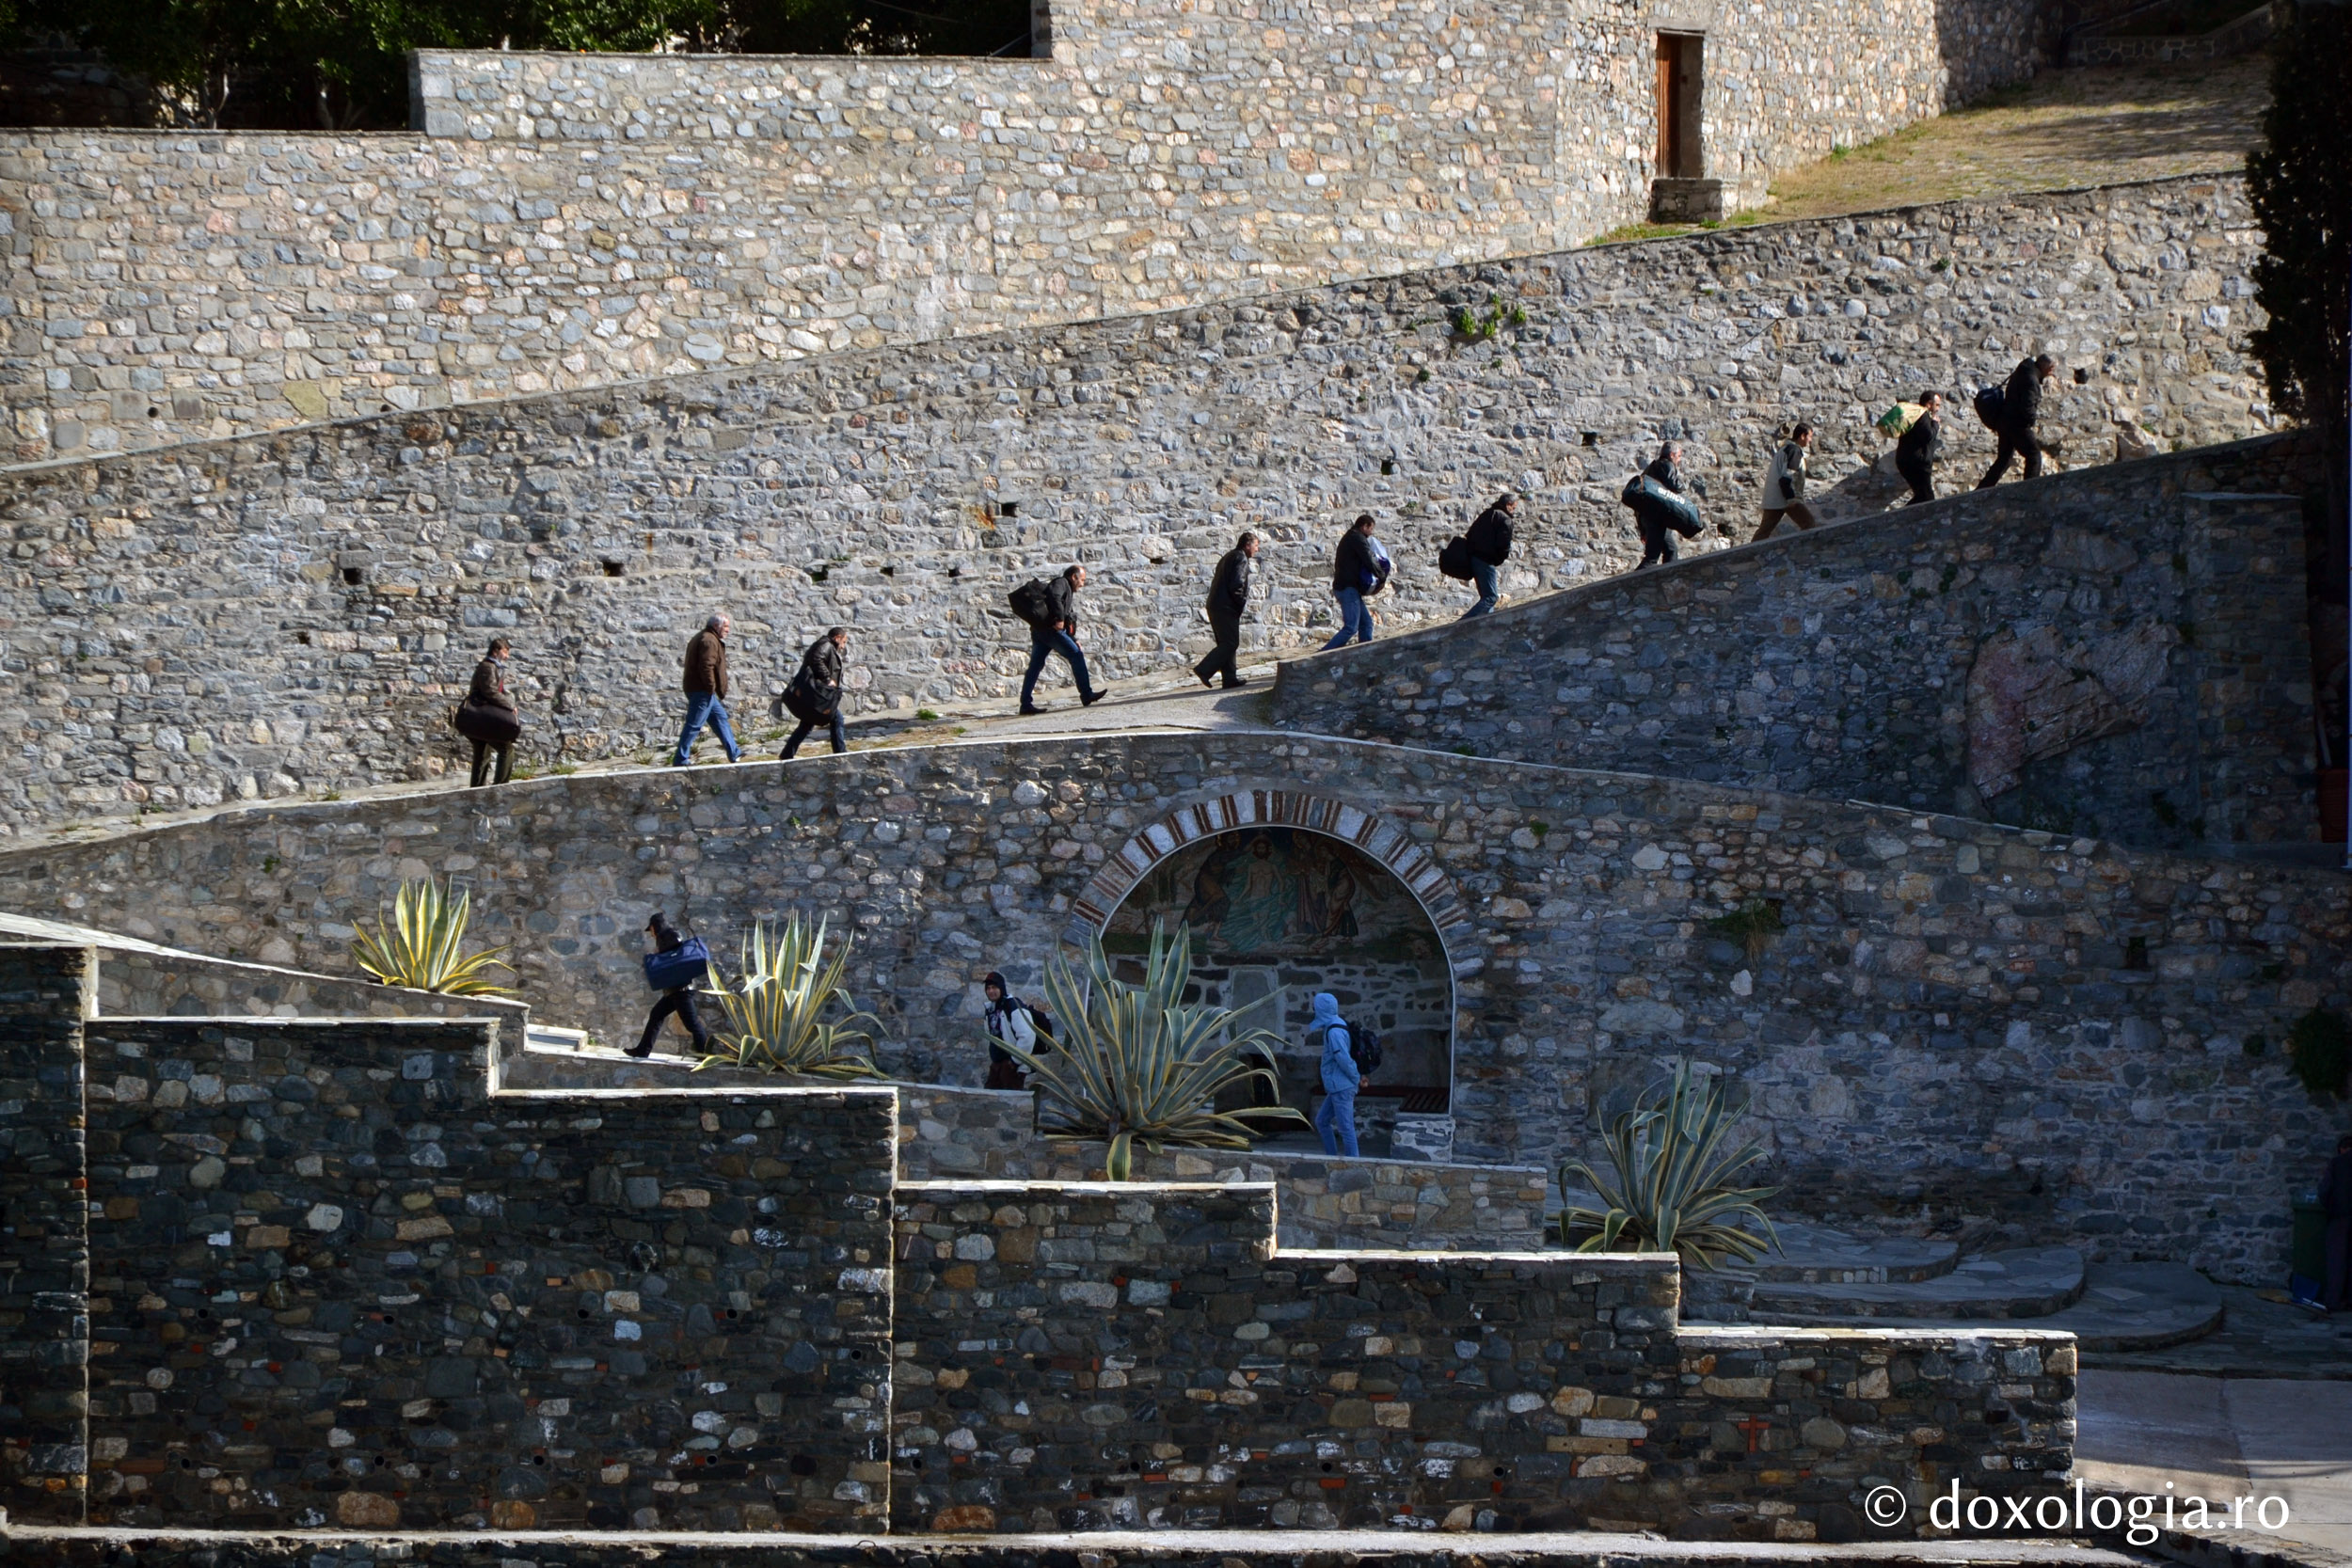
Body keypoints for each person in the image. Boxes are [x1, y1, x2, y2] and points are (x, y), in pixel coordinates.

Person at [1020, 564, 1108, 716]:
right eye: (1082, 580)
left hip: (1040, 631)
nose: (1082, 583)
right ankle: (1086, 694)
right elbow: (1055, 597)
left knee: (1035, 666)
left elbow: (1069, 617)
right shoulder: (1061, 583)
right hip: (1052, 630)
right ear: (1074, 577)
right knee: (1076, 655)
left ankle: (1025, 704)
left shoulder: (1066, 588)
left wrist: (1073, 638)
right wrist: (1059, 619)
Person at [629, 911, 709, 1058]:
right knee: (656, 1015)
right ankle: (642, 1051)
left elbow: (676, 951)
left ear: (655, 927)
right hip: (674, 990)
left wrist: (658, 954)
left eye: (651, 929)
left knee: (692, 1024)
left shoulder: (670, 934)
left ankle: (706, 1055)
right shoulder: (664, 937)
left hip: (681, 990)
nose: (651, 933)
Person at [1979, 354, 2058, 489]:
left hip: (2004, 421)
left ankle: (1981, 490)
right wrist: (2031, 421)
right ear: (2044, 366)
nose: (2051, 372)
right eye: (2051, 368)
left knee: (2004, 459)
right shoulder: (2031, 380)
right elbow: (2027, 407)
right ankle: (2029, 490)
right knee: (2033, 456)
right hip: (2017, 424)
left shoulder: (2022, 371)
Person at [674, 613, 742, 768]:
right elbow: (706, 666)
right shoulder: (709, 641)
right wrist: (711, 688)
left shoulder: (704, 637)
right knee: (694, 724)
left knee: (720, 718)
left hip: (702, 690)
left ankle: (734, 752)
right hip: (702, 690)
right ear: (717, 626)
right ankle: (681, 758)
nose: (728, 630)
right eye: (726, 627)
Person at [1195, 531, 1260, 689]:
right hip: (1226, 606)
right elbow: (1237, 584)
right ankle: (1204, 669)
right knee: (1230, 643)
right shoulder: (1241, 558)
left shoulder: (1229, 556)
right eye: (1256, 546)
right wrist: (1240, 603)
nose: (1257, 550)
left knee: (1227, 642)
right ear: (1247, 545)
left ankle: (1230, 678)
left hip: (1216, 605)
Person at [1629, 441, 1702, 569]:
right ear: (1672, 454)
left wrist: (1642, 529)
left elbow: (1640, 504)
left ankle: (1666, 579)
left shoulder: (1649, 469)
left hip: (1648, 517)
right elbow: (1676, 486)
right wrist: (1683, 484)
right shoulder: (1666, 464)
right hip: (1657, 518)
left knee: (1669, 550)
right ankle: (1632, 585)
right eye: (1679, 456)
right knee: (1654, 556)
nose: (1679, 460)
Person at [457, 637, 519, 787]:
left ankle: (476, 791)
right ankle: (500, 786)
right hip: (483, 717)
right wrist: (510, 706)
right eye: (505, 652)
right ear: (496, 651)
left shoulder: (494, 668)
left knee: (482, 753)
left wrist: (509, 699)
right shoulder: (487, 667)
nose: (507, 656)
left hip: (480, 718)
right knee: (506, 749)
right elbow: (490, 692)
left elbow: (499, 690)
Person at [781, 626, 851, 759]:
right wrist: (828, 679)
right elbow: (817, 659)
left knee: (806, 724)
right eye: (844, 641)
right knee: (837, 718)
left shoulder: (825, 645)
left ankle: (786, 755)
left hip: (817, 694)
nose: (843, 646)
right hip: (818, 693)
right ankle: (840, 753)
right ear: (837, 638)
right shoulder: (826, 645)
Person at [1322, 515, 1384, 650]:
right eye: (1370, 528)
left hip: (1348, 588)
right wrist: (1381, 577)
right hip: (1347, 588)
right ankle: (1322, 654)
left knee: (1366, 623)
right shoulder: (1357, 538)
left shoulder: (1350, 537)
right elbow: (1369, 559)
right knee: (1351, 627)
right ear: (1364, 526)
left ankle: (1366, 653)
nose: (1371, 532)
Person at [1311, 991, 1359, 1158]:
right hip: (1336, 1086)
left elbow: (1343, 1058)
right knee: (1322, 1121)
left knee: (1346, 1128)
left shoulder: (1334, 1031)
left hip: (1342, 1086)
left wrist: (1355, 1078)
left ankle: (1354, 1165)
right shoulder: (1335, 1025)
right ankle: (1331, 1158)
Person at [1753, 424, 1817, 541]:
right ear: (1802, 436)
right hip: (1787, 498)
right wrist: (1791, 498)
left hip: (1775, 497)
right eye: (1810, 437)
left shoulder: (1785, 449)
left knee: (1764, 531)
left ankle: (1748, 554)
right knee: (1809, 524)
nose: (1811, 440)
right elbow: (1787, 476)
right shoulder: (1794, 451)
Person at [981, 971, 1041, 1089]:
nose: (991, 991)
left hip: (1012, 1067)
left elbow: (1027, 1035)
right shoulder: (990, 1009)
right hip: (998, 1065)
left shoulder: (1013, 1006)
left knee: (1011, 1103)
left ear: (1001, 988)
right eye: (988, 988)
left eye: (994, 987)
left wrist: (1014, 1062)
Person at [1461, 493, 1517, 617]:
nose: (1514, 511)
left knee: (1486, 597)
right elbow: (1504, 544)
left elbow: (1470, 534)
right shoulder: (1505, 519)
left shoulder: (1487, 514)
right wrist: (1498, 558)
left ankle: (1486, 623)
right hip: (1485, 560)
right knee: (1491, 598)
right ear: (1508, 505)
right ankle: (1462, 625)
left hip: (1474, 557)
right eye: (1513, 507)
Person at [1896, 391, 1945, 506]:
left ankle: (1902, 519)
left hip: (1908, 461)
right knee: (1927, 497)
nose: (1938, 409)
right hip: (1917, 464)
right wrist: (1935, 424)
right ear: (1929, 404)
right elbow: (1928, 436)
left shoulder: (1915, 415)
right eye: (1937, 405)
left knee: (1922, 496)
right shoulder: (1922, 415)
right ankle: (1901, 518)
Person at [2323, 1132, 2352, 1312]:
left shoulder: (2337, 1163)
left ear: (2342, 1149)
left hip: (2341, 1217)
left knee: (2337, 1260)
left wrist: (2331, 1208)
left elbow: (2325, 1190)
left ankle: (2334, 1300)